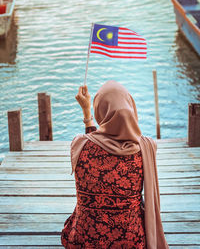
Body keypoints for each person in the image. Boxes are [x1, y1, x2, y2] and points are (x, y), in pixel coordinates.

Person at [61, 80, 169, 249]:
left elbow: (93, 139)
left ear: (100, 111)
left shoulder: (80, 145)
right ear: (131, 109)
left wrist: (86, 113)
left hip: (84, 239)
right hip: (131, 240)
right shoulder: (145, 148)